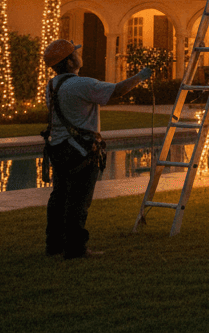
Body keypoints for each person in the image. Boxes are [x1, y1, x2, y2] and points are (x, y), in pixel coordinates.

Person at [41, 39, 153, 259]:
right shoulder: (81, 84)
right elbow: (117, 91)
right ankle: (75, 249)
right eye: (75, 52)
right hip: (80, 151)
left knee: (59, 198)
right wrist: (140, 76)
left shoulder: (52, 85)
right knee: (78, 202)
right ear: (71, 60)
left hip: (59, 148)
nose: (79, 55)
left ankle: (54, 245)